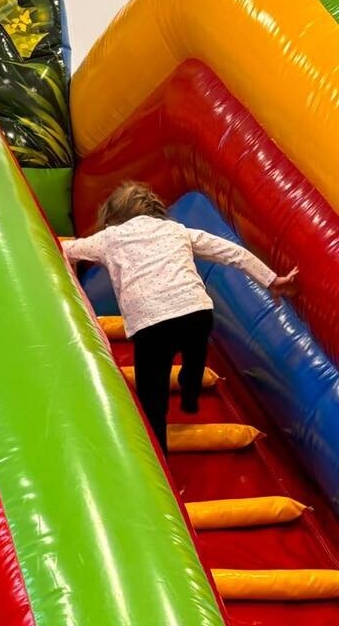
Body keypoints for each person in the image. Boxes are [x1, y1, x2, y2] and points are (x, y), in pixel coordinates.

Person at [62, 182, 298, 452]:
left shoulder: (109, 237)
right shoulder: (176, 230)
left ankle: (159, 455)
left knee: (153, 397)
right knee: (194, 354)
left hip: (151, 324)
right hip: (195, 313)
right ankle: (190, 390)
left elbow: (67, 250)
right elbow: (232, 252)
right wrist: (271, 280)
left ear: (113, 216)